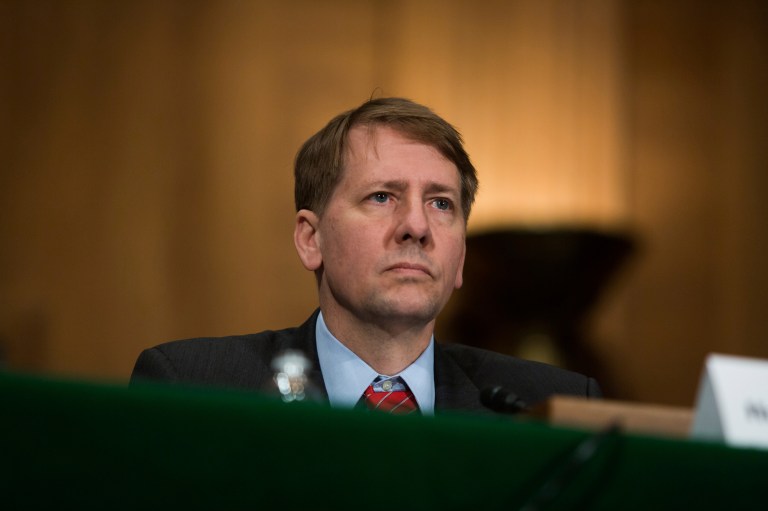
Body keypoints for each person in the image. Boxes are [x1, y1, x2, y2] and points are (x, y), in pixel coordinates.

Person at [131, 97, 601, 415]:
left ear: (460, 260)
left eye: (441, 204)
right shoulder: (193, 388)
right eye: (381, 197)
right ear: (310, 239)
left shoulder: (546, 405)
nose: (416, 226)